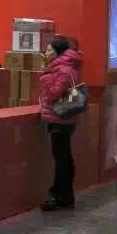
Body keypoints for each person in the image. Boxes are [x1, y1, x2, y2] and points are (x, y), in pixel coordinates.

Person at [37, 35, 83, 211]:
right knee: (65, 158)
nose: (46, 53)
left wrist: (45, 75)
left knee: (61, 159)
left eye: (49, 50)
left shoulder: (62, 70)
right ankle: (65, 195)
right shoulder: (67, 67)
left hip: (60, 120)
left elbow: (53, 94)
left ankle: (60, 196)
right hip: (65, 119)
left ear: (57, 52)